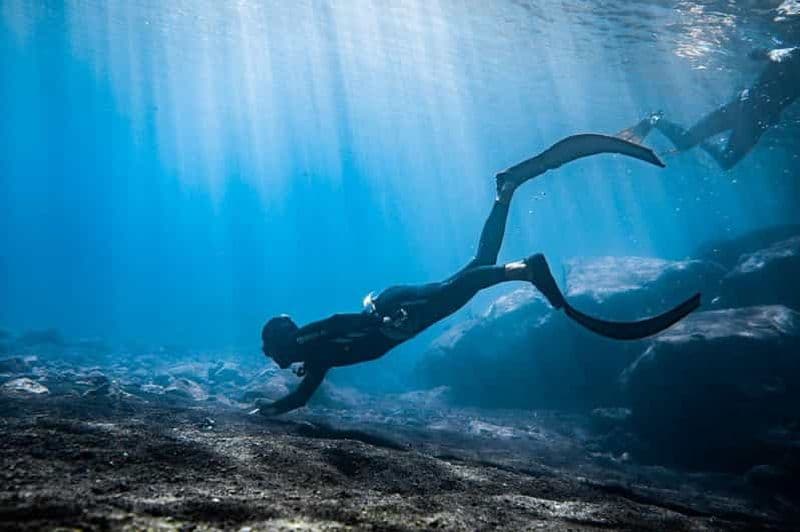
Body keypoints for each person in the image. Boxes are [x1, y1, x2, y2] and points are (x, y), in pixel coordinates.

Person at [255, 134, 701, 417]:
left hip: (396, 314)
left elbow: (336, 323)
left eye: (268, 348)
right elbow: (300, 398)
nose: (269, 356)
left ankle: (522, 271)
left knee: (460, 286)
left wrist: (379, 323)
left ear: (280, 340)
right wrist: (269, 411)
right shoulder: (310, 358)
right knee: (476, 264)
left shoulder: (304, 343)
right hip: (393, 314)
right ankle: (506, 192)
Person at [619, 47, 799, 170]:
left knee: (716, 156)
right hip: (747, 109)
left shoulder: (792, 56)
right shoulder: (792, 54)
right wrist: (771, 52)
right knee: (709, 152)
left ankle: (659, 123)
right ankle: (655, 121)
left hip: (754, 112)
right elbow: (754, 54)